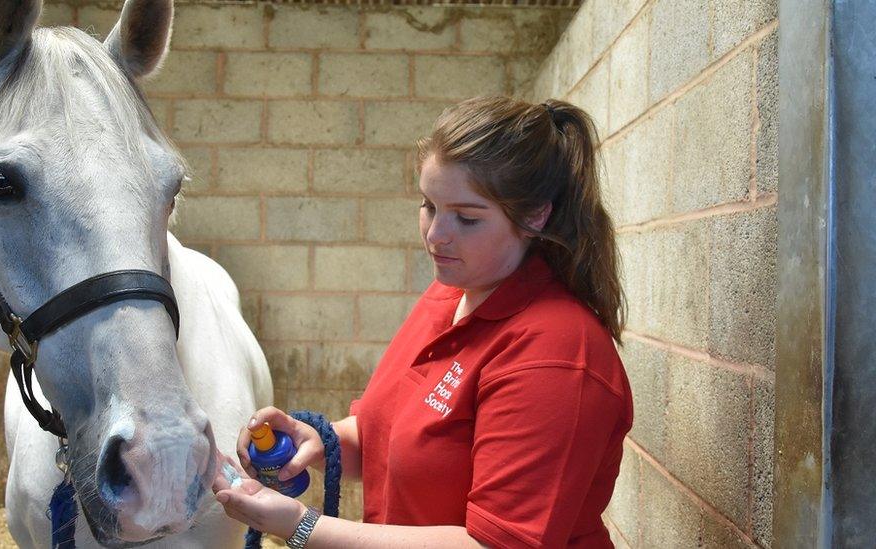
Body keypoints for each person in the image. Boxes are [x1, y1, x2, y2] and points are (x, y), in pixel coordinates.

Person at [212, 96, 633, 548]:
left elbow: (492, 545)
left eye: (467, 218)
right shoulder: (452, 294)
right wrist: (319, 440)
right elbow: (392, 438)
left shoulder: (556, 354)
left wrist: (300, 527)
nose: (435, 236)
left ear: (534, 216)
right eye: (429, 206)